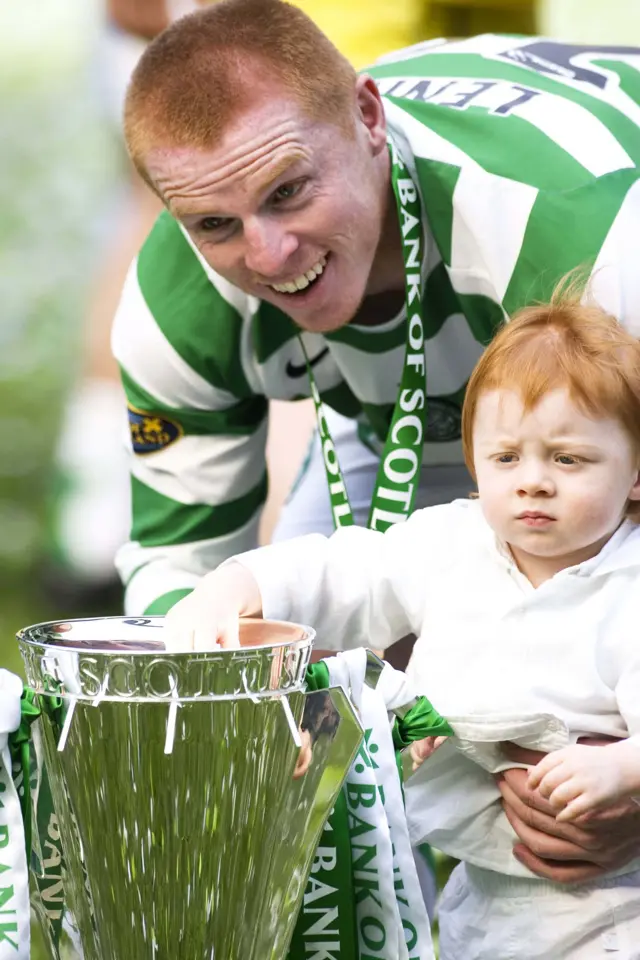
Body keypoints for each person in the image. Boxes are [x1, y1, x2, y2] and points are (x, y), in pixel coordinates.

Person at [113, 0, 640, 882]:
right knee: (307, 666)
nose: (271, 253)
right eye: (215, 224)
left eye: (289, 191)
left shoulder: (588, 246)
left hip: (590, 302)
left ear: (367, 120)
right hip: (382, 414)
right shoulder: (174, 310)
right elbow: (183, 582)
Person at [163, 291, 640, 958]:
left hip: (614, 907)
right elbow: (345, 571)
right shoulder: (451, 544)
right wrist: (236, 585)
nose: (534, 482)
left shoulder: (629, 584)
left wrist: (623, 768)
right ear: (475, 462)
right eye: (506, 458)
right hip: (484, 897)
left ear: (636, 473)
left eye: (568, 460)